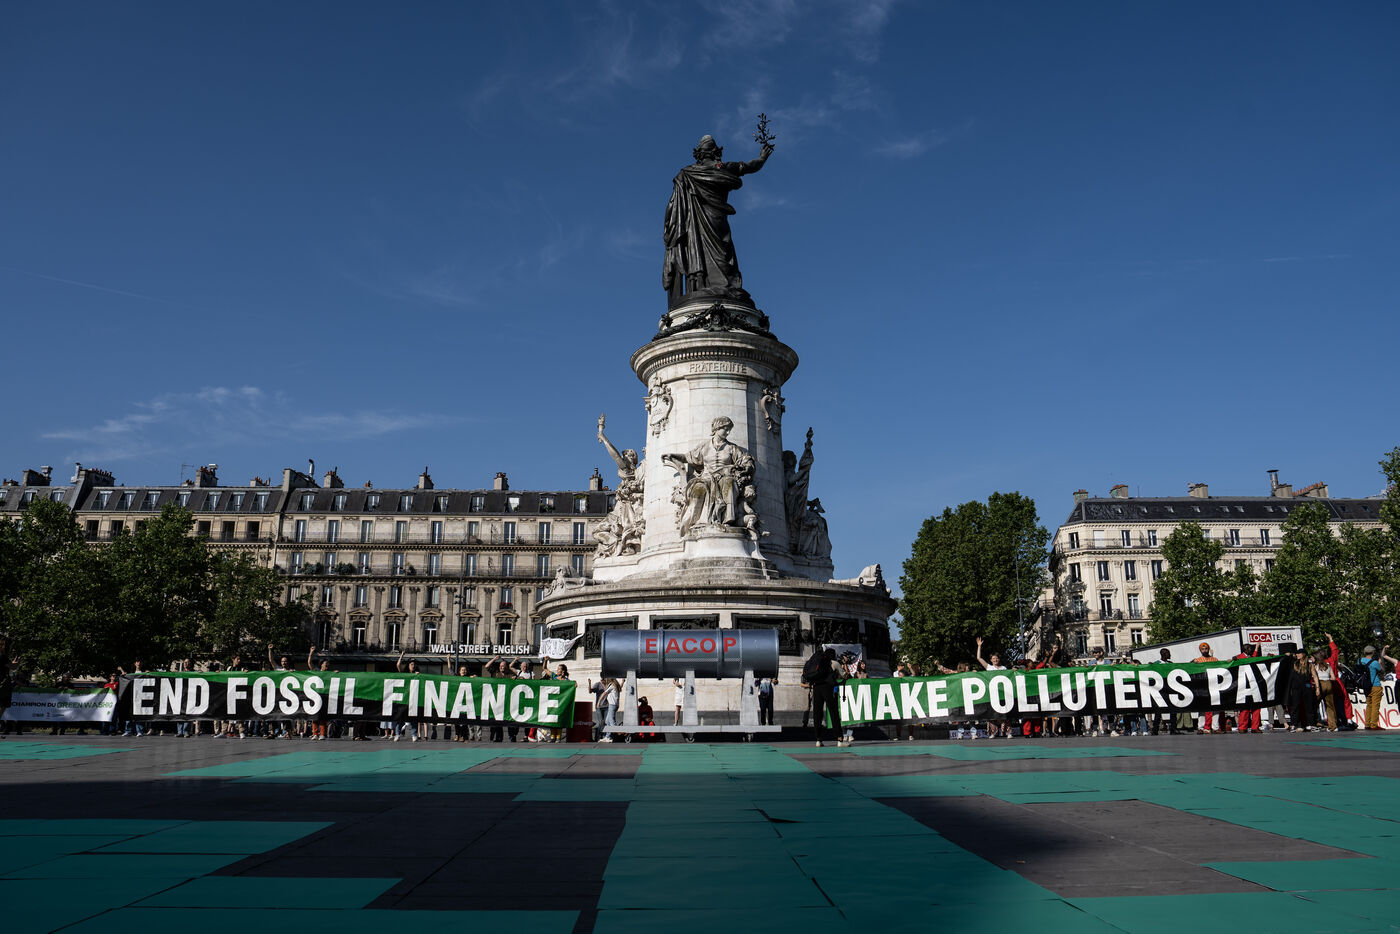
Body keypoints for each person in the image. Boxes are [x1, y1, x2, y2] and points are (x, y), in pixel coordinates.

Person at [662, 133, 774, 307]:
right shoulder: (723, 168)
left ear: (699, 154)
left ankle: (699, 284)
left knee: (698, 250)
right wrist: (762, 158)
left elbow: (672, 206)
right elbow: (749, 166)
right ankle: (724, 285)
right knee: (723, 252)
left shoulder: (687, 174)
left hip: (694, 224)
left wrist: (671, 227)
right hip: (716, 221)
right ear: (716, 152)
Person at [809, 648, 846, 747]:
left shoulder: (818, 662)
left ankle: (818, 739)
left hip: (817, 688)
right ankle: (839, 739)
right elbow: (844, 675)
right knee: (834, 713)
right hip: (828, 688)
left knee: (817, 714)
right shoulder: (834, 663)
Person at [975, 638, 1009, 738]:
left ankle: (1007, 731)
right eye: (993, 659)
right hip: (992, 694)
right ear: (991, 660)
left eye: (996, 658)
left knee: (1005, 712)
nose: (995, 660)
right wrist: (979, 646)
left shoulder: (1004, 668)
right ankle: (993, 732)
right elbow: (979, 658)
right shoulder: (989, 668)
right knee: (991, 713)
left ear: (999, 659)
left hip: (1003, 693)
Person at [1193, 643, 1223, 733]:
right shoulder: (1198, 660)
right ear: (1200, 650)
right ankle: (1200, 728)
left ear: (1208, 649)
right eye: (1203, 649)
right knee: (1202, 707)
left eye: (1206, 648)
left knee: (1215, 707)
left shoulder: (1214, 659)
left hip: (1214, 686)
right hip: (1203, 686)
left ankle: (1215, 727)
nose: (1204, 650)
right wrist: (1193, 663)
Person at [1358, 645, 1385, 730]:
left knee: (1369, 704)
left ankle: (1367, 723)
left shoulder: (1360, 661)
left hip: (1365, 686)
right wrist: (1380, 663)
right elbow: (1382, 671)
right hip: (1375, 685)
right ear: (1373, 652)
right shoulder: (1374, 662)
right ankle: (1374, 724)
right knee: (1375, 705)